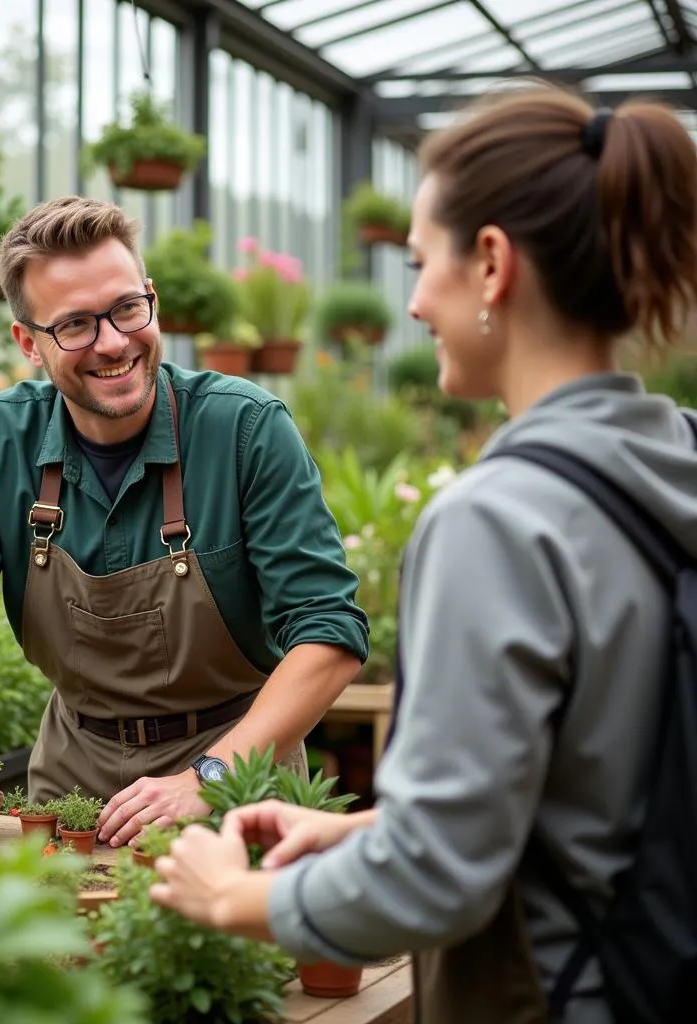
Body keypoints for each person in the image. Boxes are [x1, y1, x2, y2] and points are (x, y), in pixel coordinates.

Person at [148, 87, 697, 1022]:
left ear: (490, 264)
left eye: (419, 262)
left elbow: (435, 885)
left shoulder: (500, 519)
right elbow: (606, 782)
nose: (410, 302)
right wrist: (367, 827)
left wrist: (230, 896)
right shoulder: (677, 457)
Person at [0, 196, 369, 848]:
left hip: (239, 773)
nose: (113, 343)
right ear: (28, 343)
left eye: (127, 309)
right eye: (75, 325)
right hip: (74, 780)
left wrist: (208, 777)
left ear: (152, 299)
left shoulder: (242, 428)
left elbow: (329, 633)